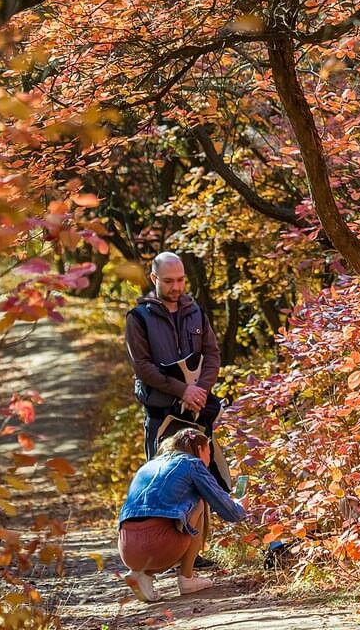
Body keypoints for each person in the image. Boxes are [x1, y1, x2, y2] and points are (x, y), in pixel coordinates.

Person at [117, 429, 247, 602]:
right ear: (200, 449)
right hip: (160, 547)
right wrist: (241, 505)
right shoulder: (192, 463)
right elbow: (230, 512)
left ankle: (141, 573)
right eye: (209, 452)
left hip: (127, 550)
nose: (209, 459)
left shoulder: (148, 466)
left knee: (164, 517)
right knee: (200, 504)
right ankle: (187, 579)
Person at [124, 252, 223, 465]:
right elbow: (142, 366)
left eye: (180, 280)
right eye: (168, 281)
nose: (176, 287)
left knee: (206, 486)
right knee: (164, 488)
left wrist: (200, 392)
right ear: (154, 279)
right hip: (161, 416)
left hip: (197, 414)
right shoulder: (138, 317)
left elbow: (212, 354)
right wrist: (183, 390)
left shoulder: (196, 312)